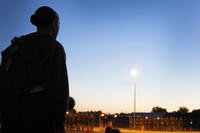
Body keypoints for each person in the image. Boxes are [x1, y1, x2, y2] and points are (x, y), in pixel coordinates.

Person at [0, 6, 69, 133]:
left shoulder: (15, 46)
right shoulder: (54, 48)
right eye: (58, 23)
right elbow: (59, 90)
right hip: (38, 121)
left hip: (8, 120)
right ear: (54, 23)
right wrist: (59, 124)